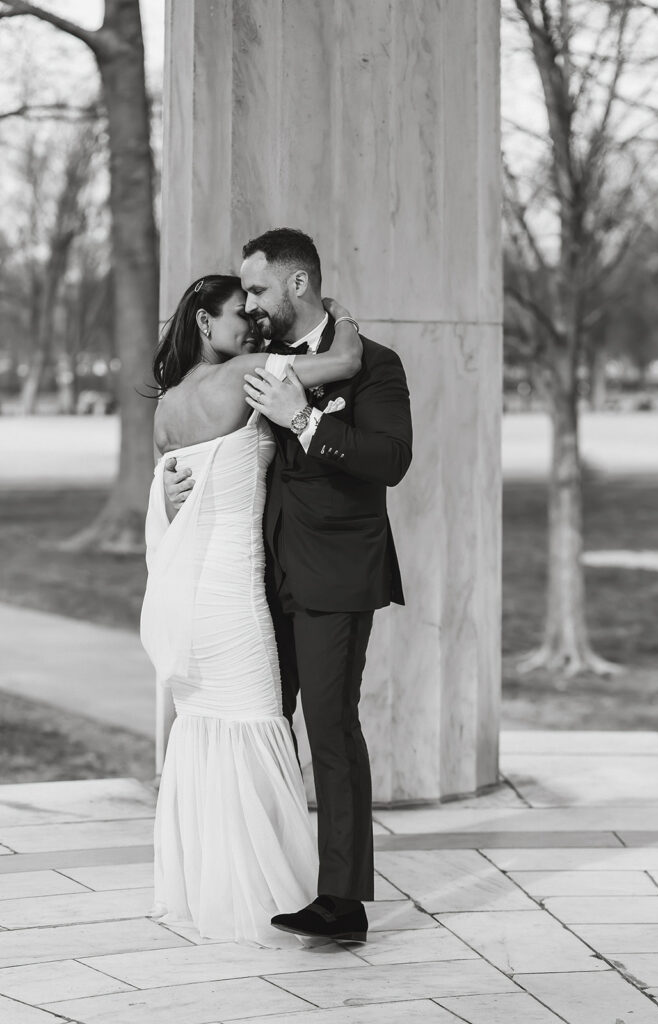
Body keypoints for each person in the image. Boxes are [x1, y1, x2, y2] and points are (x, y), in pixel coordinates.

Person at [165, 229, 413, 943]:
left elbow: (390, 460)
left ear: (298, 285)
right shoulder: (255, 364)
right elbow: (206, 444)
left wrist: (302, 420)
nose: (249, 303)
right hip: (253, 584)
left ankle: (342, 902)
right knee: (258, 730)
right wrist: (176, 491)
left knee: (330, 733)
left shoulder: (375, 367)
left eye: (258, 289)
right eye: (243, 293)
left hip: (335, 577)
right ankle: (265, 876)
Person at [141, 273, 363, 945]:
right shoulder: (240, 373)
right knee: (260, 721)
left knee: (208, 730)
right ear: (205, 325)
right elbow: (342, 362)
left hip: (188, 592)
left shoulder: (169, 405)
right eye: (241, 314)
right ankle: (270, 889)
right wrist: (341, 317)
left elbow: (172, 491)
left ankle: (212, 885)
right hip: (233, 594)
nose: (253, 325)